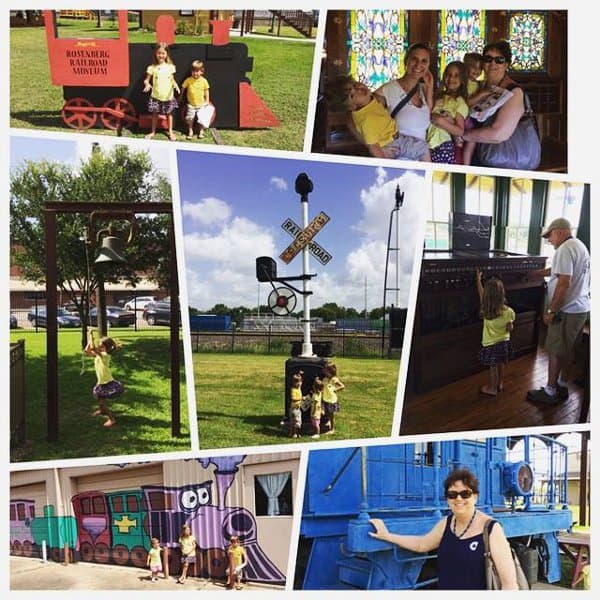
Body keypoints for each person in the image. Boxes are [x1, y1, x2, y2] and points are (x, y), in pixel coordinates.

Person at [368, 468, 518, 590]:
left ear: (475, 497)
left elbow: (509, 584)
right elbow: (422, 544)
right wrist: (387, 536)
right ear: (447, 500)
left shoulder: (491, 529)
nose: (459, 499)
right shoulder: (446, 523)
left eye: (465, 494)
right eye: (452, 494)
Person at [527, 218, 590, 404]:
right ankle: (562, 385)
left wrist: (551, 311)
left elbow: (564, 283)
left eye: (550, 236)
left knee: (554, 350)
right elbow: (558, 272)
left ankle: (550, 391)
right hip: (580, 308)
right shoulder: (579, 246)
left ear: (560, 232)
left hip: (566, 311)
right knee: (568, 349)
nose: (549, 240)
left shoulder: (564, 249)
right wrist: (536, 274)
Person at [461, 40, 539, 169]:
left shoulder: (514, 92)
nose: (493, 63)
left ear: (506, 64)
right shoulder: (479, 87)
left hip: (502, 161)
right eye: (488, 59)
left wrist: (464, 135)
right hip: (477, 156)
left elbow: (498, 134)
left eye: (499, 60)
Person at [324, 75, 430, 161]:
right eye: (352, 95)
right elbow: (373, 147)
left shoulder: (369, 101)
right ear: (352, 106)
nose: (359, 90)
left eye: (355, 85)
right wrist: (385, 162)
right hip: (392, 145)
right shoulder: (367, 120)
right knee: (424, 148)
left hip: (397, 138)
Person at [374, 43, 434, 146]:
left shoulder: (424, 90)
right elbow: (359, 117)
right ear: (406, 61)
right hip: (398, 156)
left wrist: (430, 86)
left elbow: (429, 115)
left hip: (420, 156)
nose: (418, 65)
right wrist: (375, 149)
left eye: (424, 61)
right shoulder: (388, 90)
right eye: (414, 59)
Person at [475, 270, 515, 396]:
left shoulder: (486, 310)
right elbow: (510, 328)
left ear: (487, 296)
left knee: (493, 366)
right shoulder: (509, 312)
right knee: (501, 363)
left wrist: (478, 279)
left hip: (491, 344)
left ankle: (492, 389)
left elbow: (480, 292)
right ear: (502, 293)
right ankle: (500, 383)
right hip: (504, 342)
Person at [426, 61, 469, 163]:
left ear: (462, 80)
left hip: (444, 145)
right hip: (429, 143)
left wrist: (442, 122)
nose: (451, 78)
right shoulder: (439, 97)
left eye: (456, 76)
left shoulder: (460, 102)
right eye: (449, 74)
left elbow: (460, 131)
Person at [84, 328, 123, 428]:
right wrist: (90, 338)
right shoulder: (99, 354)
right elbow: (87, 351)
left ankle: (112, 419)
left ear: (105, 346)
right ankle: (102, 410)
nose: (99, 344)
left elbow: (92, 349)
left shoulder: (105, 355)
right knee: (98, 397)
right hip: (101, 381)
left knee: (101, 400)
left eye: (101, 343)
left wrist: (90, 335)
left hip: (107, 382)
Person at [143, 42, 180, 141]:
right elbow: (146, 79)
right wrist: (147, 84)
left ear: (167, 54)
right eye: (159, 53)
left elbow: (172, 79)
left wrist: (175, 84)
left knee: (169, 114)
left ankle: (170, 132)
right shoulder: (152, 68)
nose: (161, 55)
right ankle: (153, 131)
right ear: (155, 53)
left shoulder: (170, 67)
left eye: (163, 53)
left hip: (168, 96)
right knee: (155, 114)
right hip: (156, 96)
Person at [178, 60, 214, 140]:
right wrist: (180, 96)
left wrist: (207, 100)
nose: (195, 73)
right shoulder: (188, 80)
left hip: (201, 104)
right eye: (193, 71)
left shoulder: (204, 81)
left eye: (197, 71)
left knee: (201, 118)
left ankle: (201, 131)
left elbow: (206, 90)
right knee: (190, 118)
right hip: (191, 104)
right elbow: (183, 88)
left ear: (202, 72)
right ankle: (190, 130)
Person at [321, 362, 345, 435]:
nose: (324, 371)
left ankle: (332, 429)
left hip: (331, 400)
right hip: (325, 399)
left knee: (331, 415)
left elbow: (342, 386)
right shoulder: (325, 379)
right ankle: (329, 422)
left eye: (325, 370)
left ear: (330, 371)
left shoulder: (334, 379)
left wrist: (335, 390)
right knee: (327, 412)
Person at [289, 370, 305, 438]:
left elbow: (300, 380)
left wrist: (299, 374)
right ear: (294, 383)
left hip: (297, 408)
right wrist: (301, 398)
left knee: (294, 421)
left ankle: (292, 433)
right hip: (294, 409)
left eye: (300, 382)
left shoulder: (298, 388)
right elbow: (293, 398)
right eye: (297, 382)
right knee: (297, 421)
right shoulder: (293, 390)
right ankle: (295, 433)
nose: (299, 383)